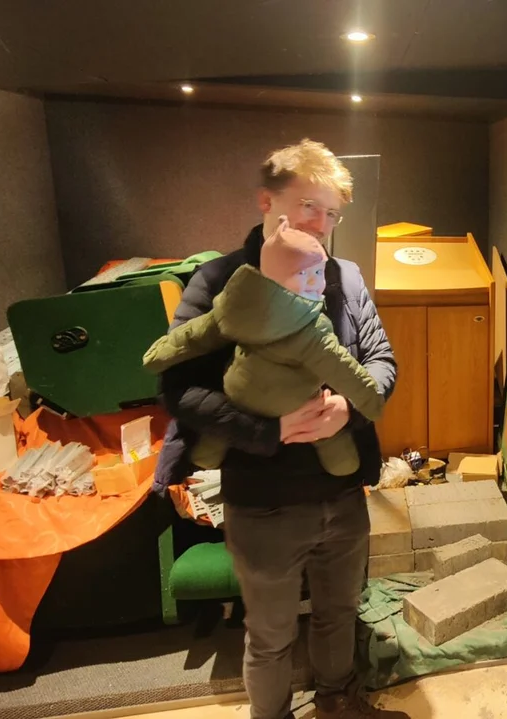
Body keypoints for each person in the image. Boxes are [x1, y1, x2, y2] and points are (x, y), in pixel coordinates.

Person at [154, 139, 407, 719]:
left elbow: (380, 360)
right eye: (308, 206)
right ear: (267, 201)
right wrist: (268, 428)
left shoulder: (345, 276)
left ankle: (338, 704)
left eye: (332, 212)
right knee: (269, 637)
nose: (321, 224)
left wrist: (348, 408)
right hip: (262, 499)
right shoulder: (219, 280)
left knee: (339, 613)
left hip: (342, 491)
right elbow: (177, 389)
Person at [142, 215, 387, 477]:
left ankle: (209, 451)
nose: (317, 282)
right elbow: (342, 368)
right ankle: (341, 462)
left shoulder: (235, 303)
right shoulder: (311, 329)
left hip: (238, 395)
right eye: (305, 274)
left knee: (214, 439)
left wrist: (158, 354)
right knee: (333, 445)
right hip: (298, 403)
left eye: (319, 273)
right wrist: (368, 402)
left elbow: (195, 335)